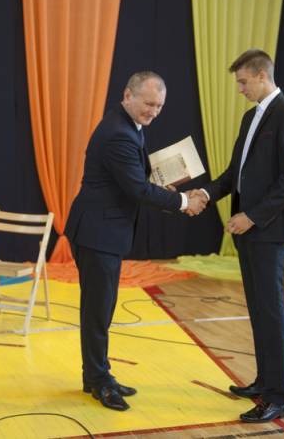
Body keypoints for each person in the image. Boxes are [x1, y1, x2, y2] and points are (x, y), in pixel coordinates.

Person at [64, 71, 205, 412]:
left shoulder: (128, 125)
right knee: (98, 311)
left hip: (102, 231)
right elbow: (137, 190)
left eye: (159, 106)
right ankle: (98, 380)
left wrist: (159, 188)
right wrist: (183, 202)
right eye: (148, 103)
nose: (153, 111)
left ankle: (96, 376)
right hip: (97, 233)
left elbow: (133, 181)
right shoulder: (119, 133)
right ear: (128, 95)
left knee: (101, 308)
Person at [191, 49, 284, 423]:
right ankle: (264, 381)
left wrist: (252, 217)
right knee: (259, 310)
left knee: (270, 312)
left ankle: (277, 397)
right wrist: (205, 193)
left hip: (268, 230)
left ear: (261, 75)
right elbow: (234, 174)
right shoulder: (250, 116)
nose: (240, 89)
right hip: (250, 231)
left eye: (243, 82)